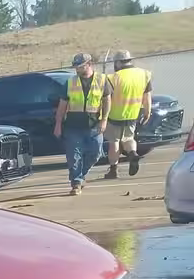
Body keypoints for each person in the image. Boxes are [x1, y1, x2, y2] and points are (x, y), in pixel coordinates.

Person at [52, 52, 108, 196]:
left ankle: (81, 175)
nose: (77, 69)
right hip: (73, 126)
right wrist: (58, 124)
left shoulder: (102, 80)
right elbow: (62, 105)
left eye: (80, 66)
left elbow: (107, 101)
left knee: (96, 153)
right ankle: (76, 183)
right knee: (74, 156)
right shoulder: (70, 83)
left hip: (94, 125)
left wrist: (104, 120)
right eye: (75, 67)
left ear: (89, 65)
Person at [103, 50, 153, 179]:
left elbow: (107, 98)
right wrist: (147, 112)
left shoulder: (113, 77)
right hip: (132, 114)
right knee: (129, 138)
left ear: (119, 62)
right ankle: (132, 154)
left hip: (114, 114)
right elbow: (147, 97)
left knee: (114, 142)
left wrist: (102, 115)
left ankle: (113, 170)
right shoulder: (144, 74)